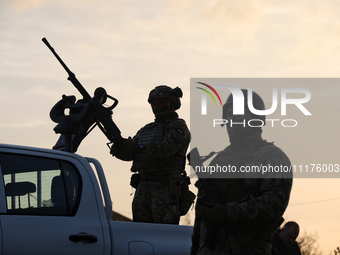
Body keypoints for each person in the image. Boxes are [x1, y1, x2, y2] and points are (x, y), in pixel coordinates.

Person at [190, 89, 292, 255]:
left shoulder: (272, 156)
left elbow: (275, 203)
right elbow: (201, 217)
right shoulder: (218, 160)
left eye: (240, 113)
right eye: (230, 113)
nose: (233, 118)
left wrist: (229, 212)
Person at [111, 85, 191, 224]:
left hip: (165, 188)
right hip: (143, 187)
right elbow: (130, 154)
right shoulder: (145, 130)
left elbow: (165, 150)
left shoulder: (178, 127)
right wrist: (119, 149)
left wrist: (139, 147)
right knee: (140, 232)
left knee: (164, 234)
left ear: (171, 103)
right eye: (153, 104)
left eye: (159, 103)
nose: (155, 106)